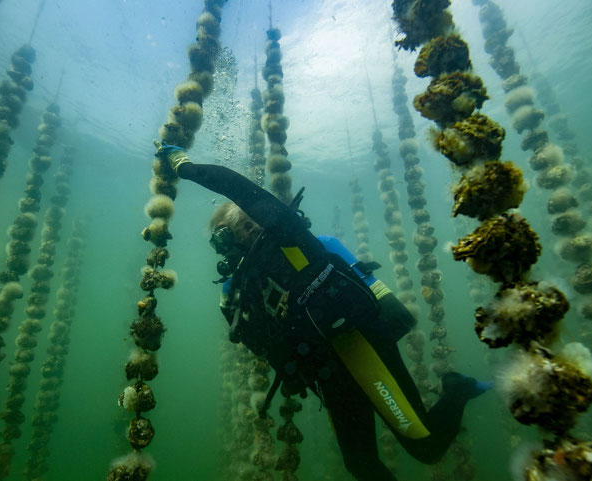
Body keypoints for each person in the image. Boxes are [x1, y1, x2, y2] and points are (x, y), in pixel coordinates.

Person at [154, 142, 489, 481]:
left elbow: (235, 186)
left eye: (251, 219)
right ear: (226, 242)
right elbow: (253, 340)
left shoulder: (290, 235)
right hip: (325, 372)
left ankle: (456, 389)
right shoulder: (236, 289)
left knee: (425, 446)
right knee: (360, 464)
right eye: (239, 228)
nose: (251, 228)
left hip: (360, 345)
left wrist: (185, 167)